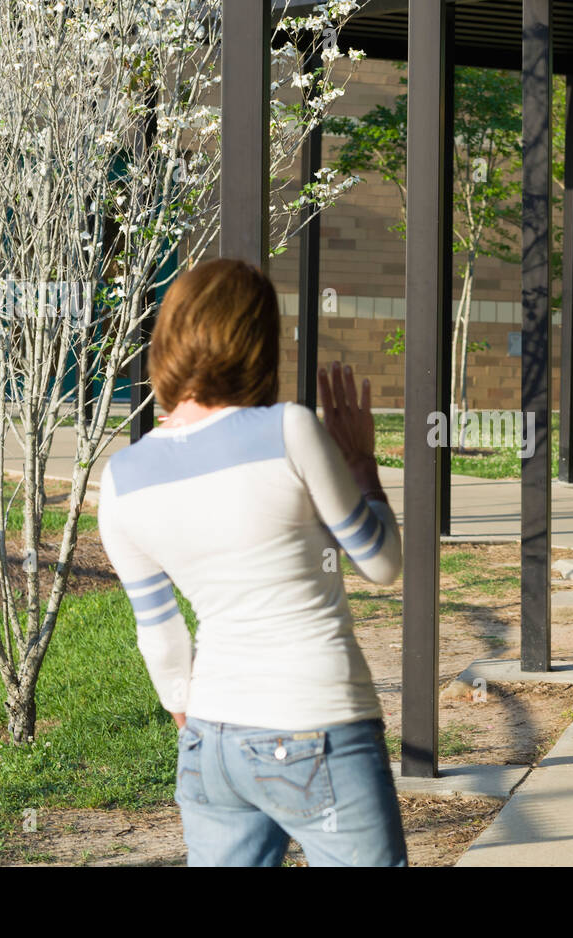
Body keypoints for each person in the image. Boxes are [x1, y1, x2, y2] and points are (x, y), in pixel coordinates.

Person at [97, 257, 407, 864]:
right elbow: (382, 561)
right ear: (258, 346)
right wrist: (361, 461)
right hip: (316, 722)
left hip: (211, 743)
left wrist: (201, 717)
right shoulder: (290, 430)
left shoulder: (122, 478)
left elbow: (159, 635)